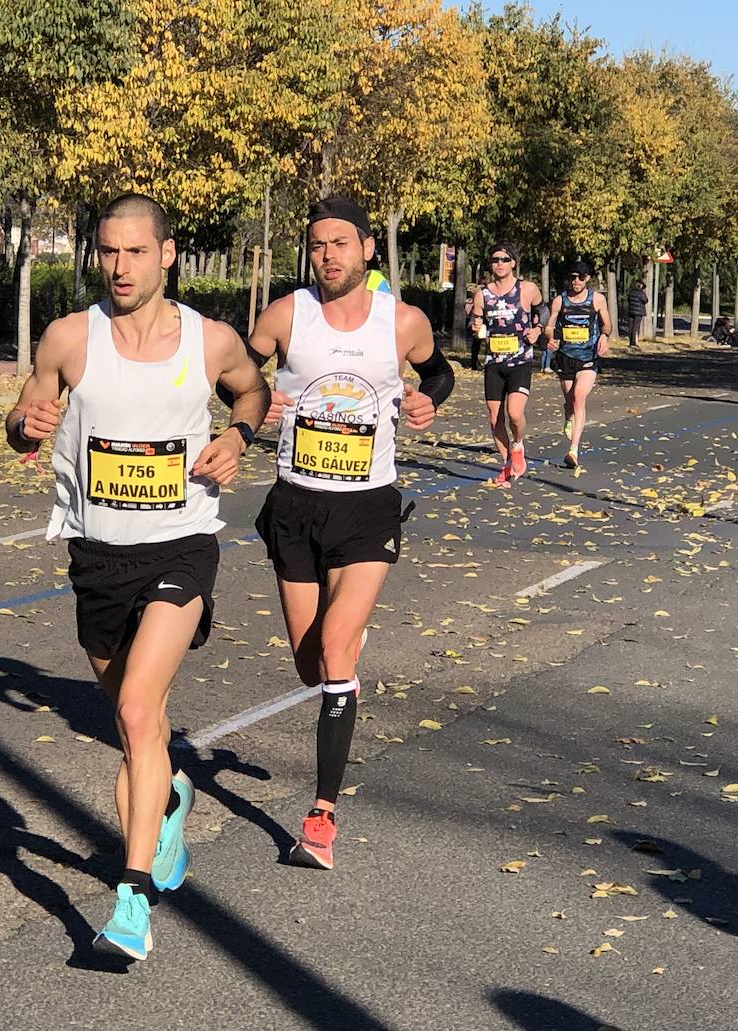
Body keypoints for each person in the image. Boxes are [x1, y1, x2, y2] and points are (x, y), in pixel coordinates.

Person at [5, 193, 268, 960]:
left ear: (168, 253)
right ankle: (174, 796)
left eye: (135, 252)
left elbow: (254, 388)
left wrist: (239, 432)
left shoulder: (209, 340)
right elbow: (21, 417)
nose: (119, 267)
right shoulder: (68, 339)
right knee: (139, 727)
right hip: (96, 556)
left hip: (179, 546)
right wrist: (25, 426)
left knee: (137, 708)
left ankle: (131, 900)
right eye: (108, 252)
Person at [248, 196, 451, 870]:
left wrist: (429, 398)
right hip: (296, 504)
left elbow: (440, 370)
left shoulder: (403, 322)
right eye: (315, 244)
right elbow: (236, 371)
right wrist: (252, 398)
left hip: (367, 507)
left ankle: (321, 815)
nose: (327, 255)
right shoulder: (285, 314)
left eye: (339, 242)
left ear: (367, 246)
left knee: (336, 647)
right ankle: (343, 675)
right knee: (313, 665)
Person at [470, 243, 542, 484]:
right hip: (494, 361)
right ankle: (507, 463)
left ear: (513, 263)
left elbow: (540, 311)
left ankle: (518, 444)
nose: (498, 264)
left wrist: (538, 330)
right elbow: (477, 324)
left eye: (504, 259)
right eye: (494, 260)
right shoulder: (483, 294)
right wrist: (476, 327)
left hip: (521, 360)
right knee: (494, 417)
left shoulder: (527, 289)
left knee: (514, 413)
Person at [545, 260, 612, 468]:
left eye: (580, 278)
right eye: (573, 277)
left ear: (587, 279)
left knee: (578, 397)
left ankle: (573, 450)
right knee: (569, 400)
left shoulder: (597, 299)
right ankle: (568, 416)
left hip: (588, 357)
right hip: (565, 357)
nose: (576, 281)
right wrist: (550, 337)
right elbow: (549, 326)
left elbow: (607, 325)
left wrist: (604, 336)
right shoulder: (560, 301)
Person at [626, 280, 647, 348]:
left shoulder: (631, 292)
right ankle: (634, 343)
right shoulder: (641, 293)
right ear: (640, 285)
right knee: (636, 327)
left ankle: (630, 342)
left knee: (631, 327)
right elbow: (646, 300)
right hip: (638, 312)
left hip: (631, 311)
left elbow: (629, 300)